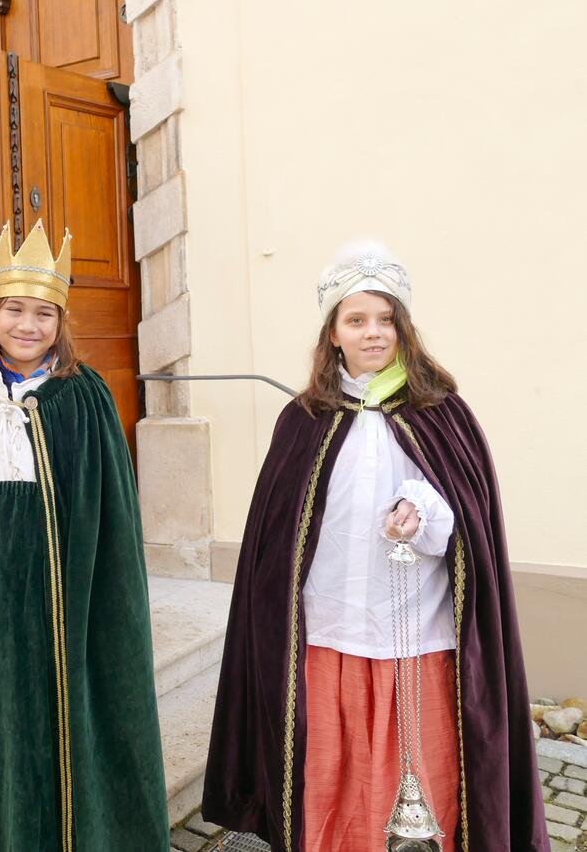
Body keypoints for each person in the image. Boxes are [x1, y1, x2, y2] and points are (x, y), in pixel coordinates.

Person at [202, 241, 548, 851]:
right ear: (332, 333)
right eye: (356, 320)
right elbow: (276, 539)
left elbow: (471, 530)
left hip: (416, 636)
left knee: (426, 780)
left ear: (404, 329)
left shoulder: (442, 413)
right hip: (327, 631)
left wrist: (426, 515)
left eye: (385, 320)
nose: (373, 333)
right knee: (328, 778)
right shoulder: (304, 419)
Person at [0, 220, 170, 851]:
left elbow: (110, 515)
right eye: (15, 309)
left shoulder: (86, 395)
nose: (28, 325)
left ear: (60, 322)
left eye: (44, 314)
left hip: (66, 604)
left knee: (61, 725)